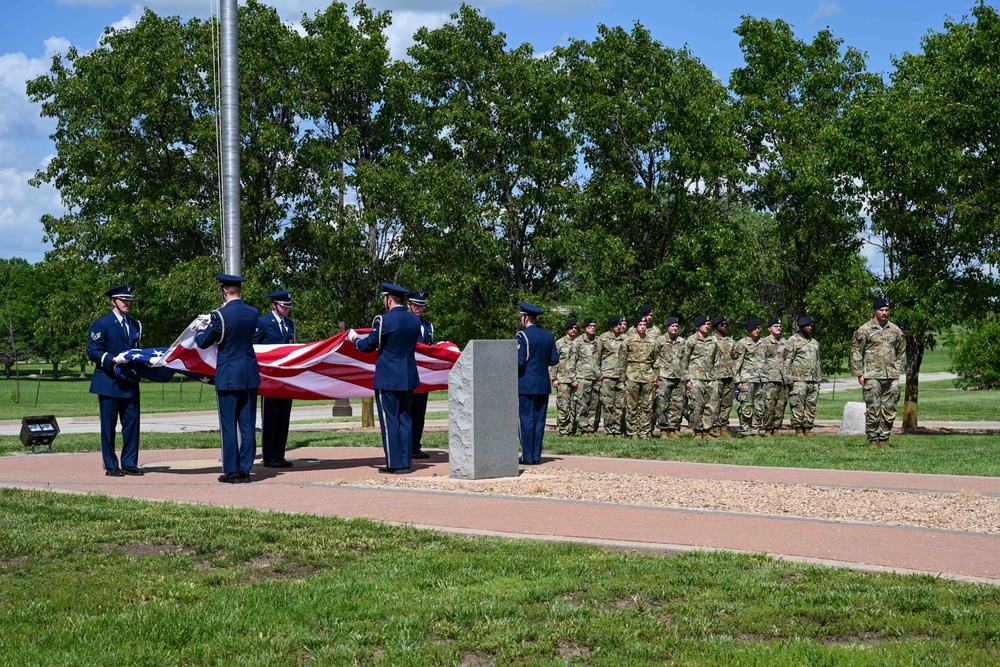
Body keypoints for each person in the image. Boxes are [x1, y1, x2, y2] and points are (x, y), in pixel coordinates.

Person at [349, 283, 421, 473]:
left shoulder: (383, 320)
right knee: (405, 419)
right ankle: (406, 462)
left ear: (389, 299)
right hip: (408, 376)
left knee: (390, 421)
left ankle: (394, 463)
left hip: (388, 377)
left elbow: (368, 346)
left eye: (384, 298)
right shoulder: (415, 321)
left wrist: (354, 339)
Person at [196, 274, 261, 483]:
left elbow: (204, 342)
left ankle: (232, 470)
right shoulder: (253, 313)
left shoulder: (219, 316)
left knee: (228, 424)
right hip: (249, 374)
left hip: (228, 374)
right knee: (248, 424)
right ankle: (245, 468)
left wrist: (200, 329)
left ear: (224, 290)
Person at [87, 284, 144, 477]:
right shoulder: (101, 324)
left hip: (130, 383)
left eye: (129, 300)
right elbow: (92, 351)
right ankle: (111, 465)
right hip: (109, 382)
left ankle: (129, 463)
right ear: (113, 302)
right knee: (108, 427)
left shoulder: (135, 324)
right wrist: (112, 359)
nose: (127, 303)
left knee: (132, 424)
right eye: (123, 300)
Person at [850, 298, 906, 446]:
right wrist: (859, 373)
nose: (884, 313)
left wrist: (897, 370)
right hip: (872, 376)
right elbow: (856, 352)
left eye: (886, 310)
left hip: (891, 376)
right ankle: (873, 439)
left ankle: (884, 439)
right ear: (874, 311)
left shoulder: (895, 330)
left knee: (889, 409)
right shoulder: (864, 330)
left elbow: (901, 351)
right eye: (881, 310)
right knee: (873, 409)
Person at [253, 290, 296, 468]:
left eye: (288, 307)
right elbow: (254, 346)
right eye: (283, 306)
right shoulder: (263, 322)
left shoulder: (290, 324)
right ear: (274, 305)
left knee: (283, 416)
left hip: (286, 378)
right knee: (270, 417)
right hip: (269, 378)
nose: (286, 310)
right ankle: (269, 456)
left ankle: (280, 454)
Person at [516, 302, 559, 464]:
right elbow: (554, 359)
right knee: (539, 421)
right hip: (542, 384)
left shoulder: (522, 336)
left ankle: (527, 456)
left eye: (522, 317)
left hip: (526, 384)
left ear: (526, 317)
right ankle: (536, 455)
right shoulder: (548, 335)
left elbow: (519, 362)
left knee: (526, 420)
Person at [619, 317, 660, 439]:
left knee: (647, 406)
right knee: (632, 406)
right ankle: (632, 432)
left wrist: (656, 377)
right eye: (640, 324)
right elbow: (622, 360)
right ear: (636, 327)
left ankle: (644, 432)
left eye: (644, 324)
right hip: (632, 375)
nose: (643, 326)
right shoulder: (628, 341)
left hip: (648, 376)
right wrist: (623, 378)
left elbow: (656, 361)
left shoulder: (653, 342)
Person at [681, 315, 719, 439]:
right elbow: (684, 360)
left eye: (709, 324)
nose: (708, 326)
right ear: (699, 326)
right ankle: (697, 431)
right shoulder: (691, 341)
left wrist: (716, 376)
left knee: (711, 405)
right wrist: (686, 378)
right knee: (696, 405)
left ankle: (707, 431)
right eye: (705, 324)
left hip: (710, 378)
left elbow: (717, 359)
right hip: (695, 377)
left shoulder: (713, 340)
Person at [784, 316, 822, 436]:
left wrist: (818, 379)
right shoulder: (793, 341)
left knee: (811, 405)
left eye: (811, 326)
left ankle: (807, 427)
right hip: (798, 379)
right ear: (801, 327)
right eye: (808, 326)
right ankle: (798, 429)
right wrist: (788, 378)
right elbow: (786, 361)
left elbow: (817, 362)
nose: (810, 328)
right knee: (798, 405)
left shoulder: (814, 342)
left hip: (812, 379)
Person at [406, 290, 433, 459]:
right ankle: (406, 447)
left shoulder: (428, 326)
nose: (419, 309)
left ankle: (415, 446)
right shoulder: (405, 323)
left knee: (419, 413)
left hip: (424, 377)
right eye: (416, 305)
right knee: (406, 412)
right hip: (408, 373)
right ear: (409, 304)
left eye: (422, 306)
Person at [593, 315, 627, 436]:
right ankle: (609, 430)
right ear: (612, 326)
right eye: (617, 324)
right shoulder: (603, 338)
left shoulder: (625, 338)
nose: (620, 326)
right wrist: (598, 374)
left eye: (620, 324)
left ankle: (617, 430)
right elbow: (596, 357)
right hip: (607, 375)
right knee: (608, 405)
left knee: (620, 405)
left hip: (622, 377)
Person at [732, 318, 765, 438]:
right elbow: (736, 364)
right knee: (746, 406)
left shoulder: (762, 343)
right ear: (749, 330)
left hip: (760, 379)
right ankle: (746, 431)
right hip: (746, 379)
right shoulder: (742, 343)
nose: (757, 330)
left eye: (758, 328)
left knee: (759, 406)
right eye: (755, 328)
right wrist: (737, 381)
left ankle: (755, 430)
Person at [654, 317, 685, 438]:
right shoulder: (660, 341)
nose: (675, 328)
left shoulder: (681, 341)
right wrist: (655, 376)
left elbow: (684, 359)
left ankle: (672, 428)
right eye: (673, 326)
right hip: (664, 376)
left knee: (677, 404)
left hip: (678, 377)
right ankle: (663, 429)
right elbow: (655, 358)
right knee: (662, 403)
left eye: (677, 326)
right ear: (667, 327)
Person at [570, 318, 601, 436]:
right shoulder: (578, 342)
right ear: (584, 328)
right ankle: (583, 429)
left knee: (594, 405)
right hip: (582, 377)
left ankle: (591, 429)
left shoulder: (598, 341)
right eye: (590, 326)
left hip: (596, 377)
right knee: (582, 405)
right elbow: (572, 361)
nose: (593, 328)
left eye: (594, 326)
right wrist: (573, 378)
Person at [759, 318, 788, 436]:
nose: (778, 328)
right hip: (769, 377)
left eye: (780, 326)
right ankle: (767, 428)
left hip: (783, 378)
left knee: (781, 404)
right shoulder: (764, 342)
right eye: (775, 326)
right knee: (769, 404)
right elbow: (760, 360)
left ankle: (776, 428)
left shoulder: (785, 342)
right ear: (769, 328)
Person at [551, 319, 579, 435]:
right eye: (571, 328)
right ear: (567, 329)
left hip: (577, 378)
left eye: (576, 328)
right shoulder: (559, 343)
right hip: (563, 379)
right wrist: (554, 378)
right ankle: (563, 429)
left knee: (575, 406)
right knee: (563, 405)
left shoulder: (579, 342)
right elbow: (554, 361)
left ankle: (572, 429)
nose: (574, 330)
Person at [710, 315, 735, 437]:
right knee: (715, 403)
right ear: (716, 326)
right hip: (716, 376)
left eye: (726, 324)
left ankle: (723, 427)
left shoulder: (731, 341)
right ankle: (715, 427)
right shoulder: (711, 340)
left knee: (727, 403)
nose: (725, 326)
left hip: (729, 376)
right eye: (722, 324)